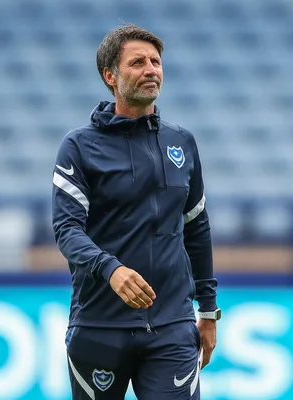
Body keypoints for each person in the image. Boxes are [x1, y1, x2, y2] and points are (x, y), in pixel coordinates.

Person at [52, 24, 220, 400]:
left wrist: (207, 311)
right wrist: (111, 270)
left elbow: (197, 229)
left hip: (172, 325)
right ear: (110, 76)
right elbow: (67, 230)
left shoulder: (182, 142)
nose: (151, 70)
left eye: (156, 62)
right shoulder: (78, 147)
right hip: (98, 325)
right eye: (138, 62)